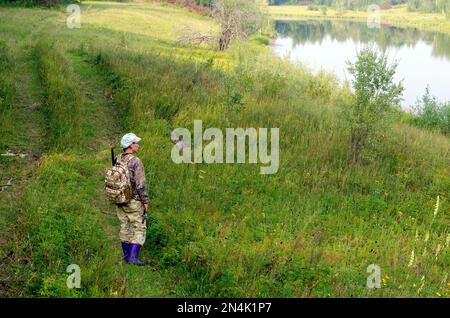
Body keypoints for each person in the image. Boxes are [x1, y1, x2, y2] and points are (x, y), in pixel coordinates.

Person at [116, 133, 149, 266]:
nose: (138, 144)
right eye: (136, 142)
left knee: (125, 226)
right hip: (133, 200)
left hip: (120, 199)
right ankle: (133, 257)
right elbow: (140, 184)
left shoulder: (118, 158)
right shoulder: (136, 161)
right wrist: (145, 201)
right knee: (139, 227)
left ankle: (126, 256)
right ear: (130, 145)